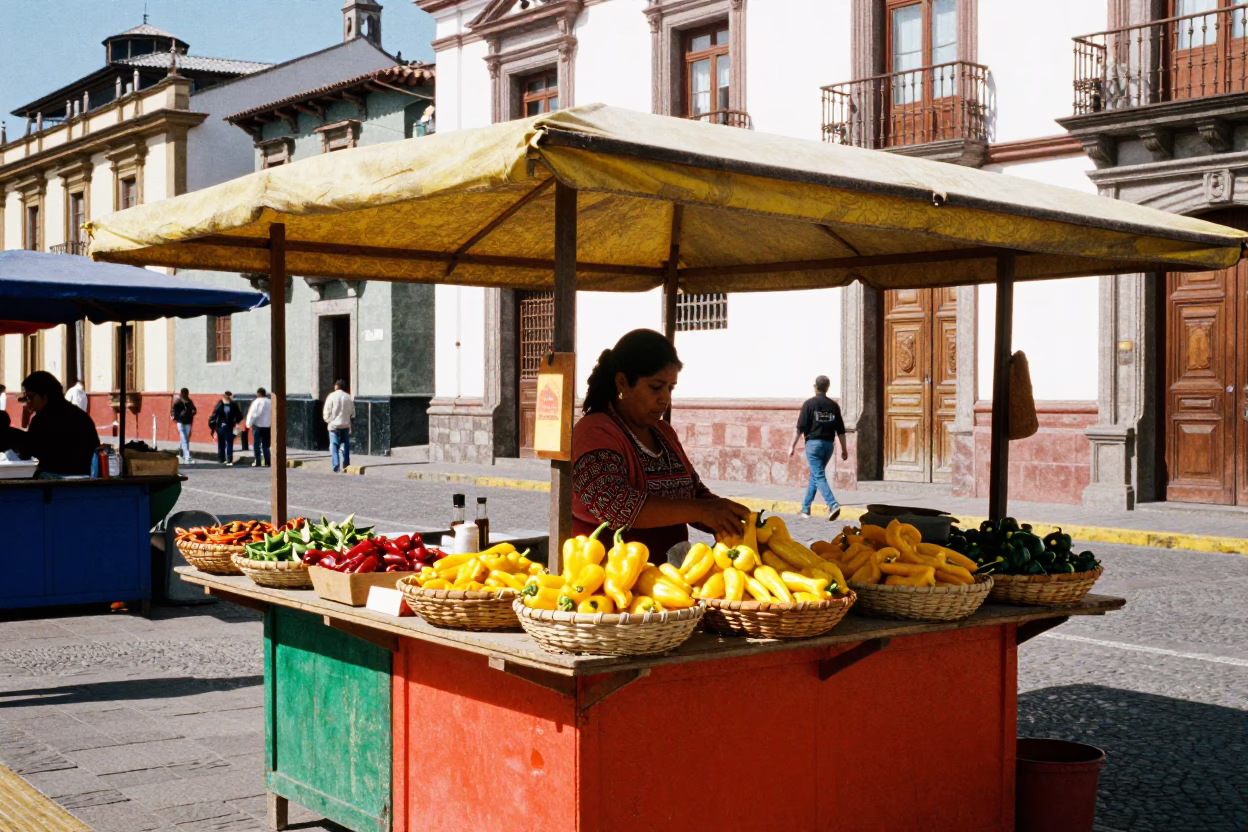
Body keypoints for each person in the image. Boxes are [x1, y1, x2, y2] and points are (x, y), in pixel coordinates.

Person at [571, 329, 750, 558]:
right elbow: (615, 507)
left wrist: (726, 515)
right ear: (623, 382)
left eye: (670, 388)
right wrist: (703, 511)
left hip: (671, 579)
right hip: (609, 578)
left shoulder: (664, 432)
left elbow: (692, 492)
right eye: (656, 387)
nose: (665, 398)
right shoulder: (595, 431)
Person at [0, 371, 99, 476]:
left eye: (31, 397)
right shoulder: (81, 416)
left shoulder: (43, 421)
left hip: (56, 485)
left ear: (45, 396)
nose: (29, 404)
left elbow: (29, 450)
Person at [789, 374, 848, 520]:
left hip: (813, 445)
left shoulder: (809, 404)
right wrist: (844, 449)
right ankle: (805, 508)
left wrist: (792, 446)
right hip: (828, 445)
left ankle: (832, 504)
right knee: (815, 475)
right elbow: (841, 430)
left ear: (815, 386)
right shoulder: (834, 406)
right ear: (827, 388)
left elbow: (800, 427)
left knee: (819, 475)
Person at [323, 379, 355, 473]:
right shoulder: (348, 397)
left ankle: (336, 465)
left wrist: (328, 420)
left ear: (336, 386)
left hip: (334, 426)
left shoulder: (331, 396)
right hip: (345, 424)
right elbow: (353, 413)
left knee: (334, 445)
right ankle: (346, 463)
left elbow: (326, 410)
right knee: (345, 444)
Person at [208, 391, 243, 466]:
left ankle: (222, 459)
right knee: (227, 442)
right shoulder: (230, 404)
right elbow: (239, 416)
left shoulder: (222, 404)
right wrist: (235, 422)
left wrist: (212, 424)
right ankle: (228, 460)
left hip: (223, 426)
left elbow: (214, 414)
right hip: (226, 426)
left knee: (223, 443)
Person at [246, 387, 272, 468]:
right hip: (267, 426)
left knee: (257, 445)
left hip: (258, 426)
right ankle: (268, 461)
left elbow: (253, 414)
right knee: (266, 445)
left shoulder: (256, 402)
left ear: (258, 394)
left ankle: (258, 461)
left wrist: (248, 424)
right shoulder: (270, 402)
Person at [171, 388, 197, 464]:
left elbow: (194, 409)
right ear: (181, 393)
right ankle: (187, 456)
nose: (185, 395)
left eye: (186, 393)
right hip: (180, 422)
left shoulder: (189, 401)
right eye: (184, 393)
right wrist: (179, 415)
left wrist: (192, 412)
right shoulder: (178, 402)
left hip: (188, 422)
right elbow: (174, 412)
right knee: (184, 438)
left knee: (185, 439)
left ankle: (180, 453)